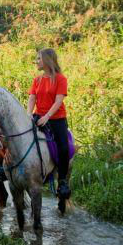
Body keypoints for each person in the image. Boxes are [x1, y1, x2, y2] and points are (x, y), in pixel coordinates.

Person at [27, 48, 71, 200]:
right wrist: (28, 114)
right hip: (39, 116)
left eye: (39, 58)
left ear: (47, 60)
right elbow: (32, 98)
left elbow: (59, 101)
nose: (36, 61)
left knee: (64, 147)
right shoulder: (37, 80)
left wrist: (47, 116)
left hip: (56, 118)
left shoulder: (60, 79)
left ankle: (63, 181)